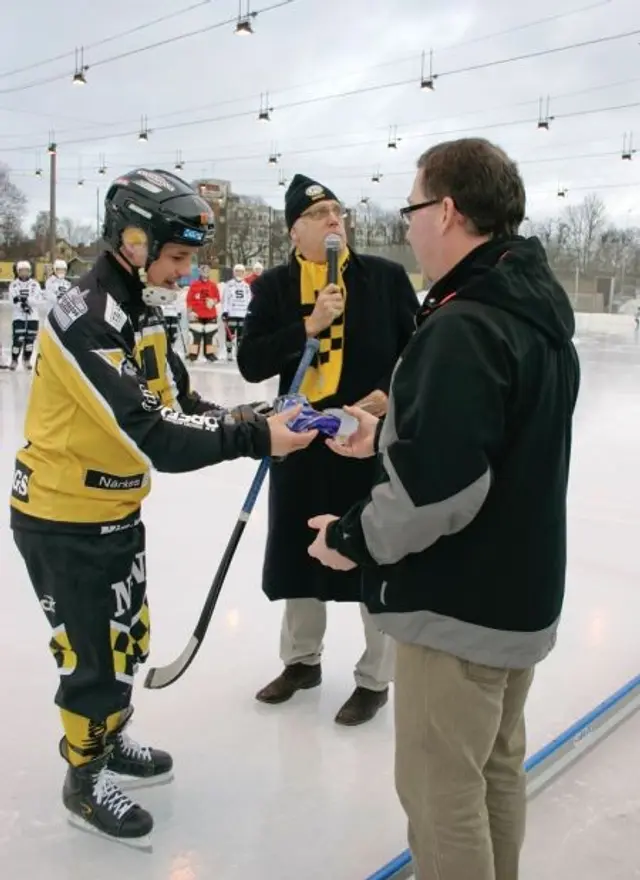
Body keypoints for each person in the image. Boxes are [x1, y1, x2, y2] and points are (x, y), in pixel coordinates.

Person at [9, 168, 316, 845]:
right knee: (90, 656)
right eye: (177, 257)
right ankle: (83, 776)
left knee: (126, 640)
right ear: (132, 239)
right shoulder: (80, 316)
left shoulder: (147, 307)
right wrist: (253, 436)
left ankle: (110, 739)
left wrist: (255, 414)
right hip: (62, 517)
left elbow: (181, 407)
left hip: (114, 510)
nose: (184, 273)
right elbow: (155, 436)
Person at [308, 138, 580, 879]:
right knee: (493, 770)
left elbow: (442, 493)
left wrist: (352, 539)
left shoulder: (464, 324)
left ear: (450, 211)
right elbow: (491, 434)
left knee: (440, 795)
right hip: (516, 598)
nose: (407, 226)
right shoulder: (528, 309)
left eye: (414, 207)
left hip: (458, 610)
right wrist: (387, 431)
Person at [238, 174, 419, 725]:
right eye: (319, 215)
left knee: (372, 550)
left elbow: (420, 350)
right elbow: (251, 363)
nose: (334, 220)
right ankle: (302, 661)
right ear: (295, 230)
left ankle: (375, 678)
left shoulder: (384, 279)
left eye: (338, 211)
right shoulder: (273, 288)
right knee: (300, 552)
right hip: (300, 441)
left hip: (365, 443)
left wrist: (389, 397)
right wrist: (308, 325)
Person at [8, 260, 42, 370]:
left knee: (30, 340)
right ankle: (14, 360)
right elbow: (12, 301)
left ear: (30, 271)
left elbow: (38, 300)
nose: (24, 273)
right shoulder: (13, 285)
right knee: (18, 340)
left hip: (32, 317)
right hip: (18, 317)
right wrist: (21, 306)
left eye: (26, 271)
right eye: (21, 271)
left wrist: (26, 300)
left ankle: (27, 359)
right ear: (18, 272)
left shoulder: (35, 284)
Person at [186, 264, 220, 361]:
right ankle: (193, 354)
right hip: (197, 314)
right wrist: (190, 312)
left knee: (211, 335)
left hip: (210, 314)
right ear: (200, 272)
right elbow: (189, 299)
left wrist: (213, 301)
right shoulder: (194, 285)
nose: (205, 272)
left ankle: (210, 354)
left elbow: (217, 298)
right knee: (194, 335)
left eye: (207, 270)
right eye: (203, 270)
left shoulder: (213, 285)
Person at [221, 263, 252, 360]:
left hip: (243, 314)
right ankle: (229, 352)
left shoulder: (247, 286)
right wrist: (225, 311)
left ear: (244, 273)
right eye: (237, 271)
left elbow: (249, 300)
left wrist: (249, 311)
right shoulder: (229, 284)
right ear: (234, 272)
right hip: (232, 313)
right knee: (230, 334)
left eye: (241, 272)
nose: (239, 273)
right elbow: (225, 299)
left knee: (241, 335)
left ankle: (239, 352)